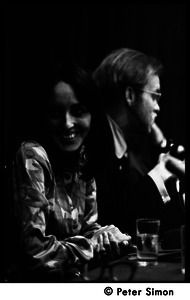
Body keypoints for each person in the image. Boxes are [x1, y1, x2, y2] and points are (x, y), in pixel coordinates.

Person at [5, 62, 131, 282]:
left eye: (78, 111)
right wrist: (90, 245)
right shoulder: (31, 156)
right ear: (43, 116)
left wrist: (106, 236)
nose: (67, 123)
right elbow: (35, 253)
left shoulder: (84, 156)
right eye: (55, 113)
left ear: (93, 114)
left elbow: (87, 228)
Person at [92, 48, 185, 245]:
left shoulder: (123, 148)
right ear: (130, 96)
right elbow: (120, 221)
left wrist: (161, 145)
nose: (158, 107)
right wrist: (161, 175)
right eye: (154, 96)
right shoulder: (94, 144)